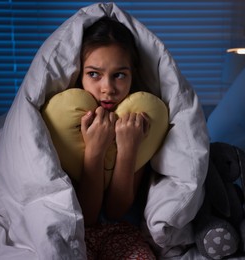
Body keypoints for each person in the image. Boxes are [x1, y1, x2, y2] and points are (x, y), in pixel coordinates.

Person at [74, 17, 156, 259]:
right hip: (72, 227)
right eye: (94, 74)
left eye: (119, 75)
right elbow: (86, 217)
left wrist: (128, 150)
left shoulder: (141, 120)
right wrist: (94, 151)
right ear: (79, 74)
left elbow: (115, 212)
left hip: (121, 230)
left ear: (133, 75)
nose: (107, 88)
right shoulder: (67, 120)